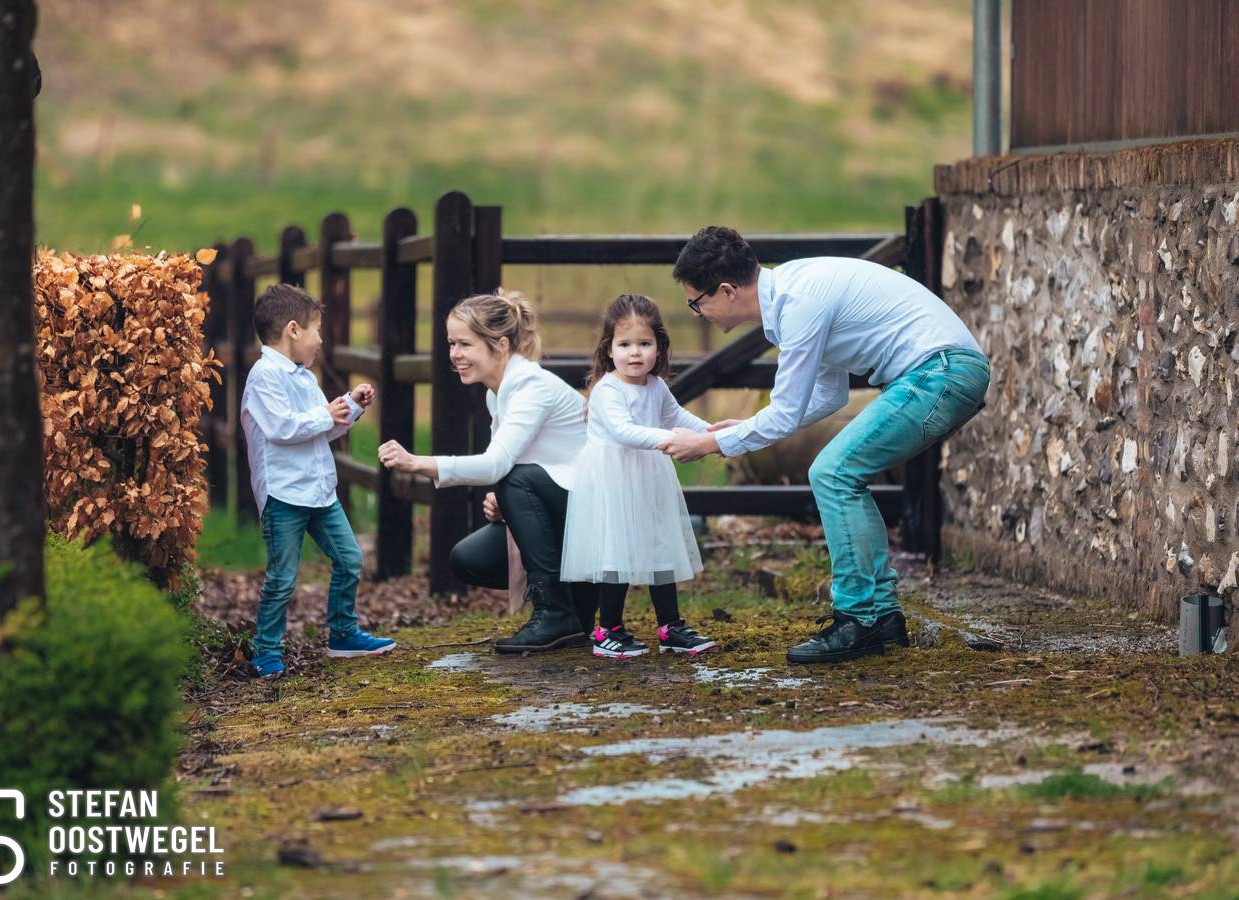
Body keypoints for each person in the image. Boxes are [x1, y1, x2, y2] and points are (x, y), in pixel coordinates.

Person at [661, 226, 989, 664]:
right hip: (939, 372)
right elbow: (827, 395)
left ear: (725, 291)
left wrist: (713, 442)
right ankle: (882, 616)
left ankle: (858, 620)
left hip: (941, 373)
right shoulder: (792, 298)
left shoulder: (799, 304)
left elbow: (785, 411)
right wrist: (743, 427)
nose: (697, 313)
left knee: (833, 473)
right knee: (839, 473)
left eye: (695, 303)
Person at [377, 291, 599, 653]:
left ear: (500, 344)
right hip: (567, 506)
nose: (455, 354)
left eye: (465, 343)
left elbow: (498, 464)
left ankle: (557, 611)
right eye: (451, 343)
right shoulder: (497, 393)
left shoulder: (530, 385)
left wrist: (419, 462)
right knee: (469, 559)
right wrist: (509, 501)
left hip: (596, 510)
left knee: (516, 480)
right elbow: (513, 463)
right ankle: (576, 603)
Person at [241, 283, 395, 679]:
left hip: (319, 491)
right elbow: (282, 429)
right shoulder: (264, 377)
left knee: (350, 559)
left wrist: (350, 407)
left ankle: (343, 633)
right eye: (316, 330)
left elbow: (319, 428)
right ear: (293, 330)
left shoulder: (304, 378)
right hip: (284, 494)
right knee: (282, 577)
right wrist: (329, 412)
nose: (321, 340)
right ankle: (267, 650)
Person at [561, 294, 715, 659]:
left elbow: (678, 418)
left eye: (644, 344)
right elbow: (622, 431)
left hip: (649, 477)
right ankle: (607, 630)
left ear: (659, 347)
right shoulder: (607, 390)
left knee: (662, 548)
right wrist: (672, 440)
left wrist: (713, 436)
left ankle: (670, 627)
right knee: (618, 553)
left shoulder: (656, 386)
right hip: (613, 481)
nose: (635, 353)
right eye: (625, 344)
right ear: (608, 348)